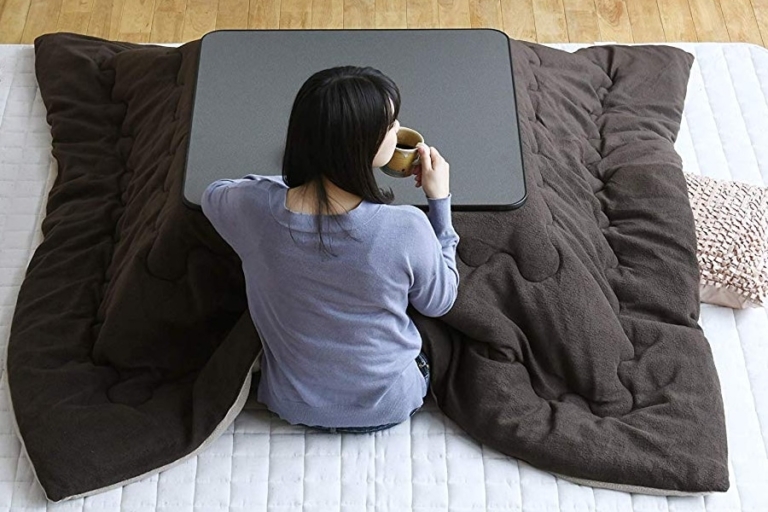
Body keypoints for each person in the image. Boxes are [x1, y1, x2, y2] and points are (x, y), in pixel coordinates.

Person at [201, 66, 459, 434]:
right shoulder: (406, 227)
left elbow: (214, 193)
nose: (399, 127)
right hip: (390, 402)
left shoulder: (251, 206)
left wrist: (295, 184)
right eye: (389, 126)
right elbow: (440, 300)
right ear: (362, 147)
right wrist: (439, 202)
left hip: (289, 402)